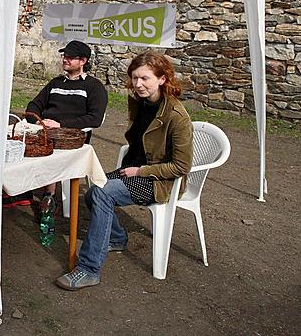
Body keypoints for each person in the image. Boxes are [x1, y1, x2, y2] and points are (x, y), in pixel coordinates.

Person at [55, 51, 193, 290]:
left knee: (102, 193)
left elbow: (181, 167)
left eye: (145, 78)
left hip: (159, 181)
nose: (138, 84)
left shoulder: (177, 116)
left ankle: (89, 269)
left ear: (162, 79)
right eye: (135, 78)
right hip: (133, 171)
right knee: (92, 190)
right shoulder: (141, 103)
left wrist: (140, 171)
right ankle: (117, 238)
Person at [10, 40, 108, 208]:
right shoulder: (55, 83)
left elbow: (94, 118)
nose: (65, 59)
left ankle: (49, 195)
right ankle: (18, 189)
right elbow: (35, 104)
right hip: (44, 130)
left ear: (83, 61)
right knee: (15, 144)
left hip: (70, 137)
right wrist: (38, 122)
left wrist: (60, 124)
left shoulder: (94, 87)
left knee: (47, 149)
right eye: (64, 56)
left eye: (70, 57)